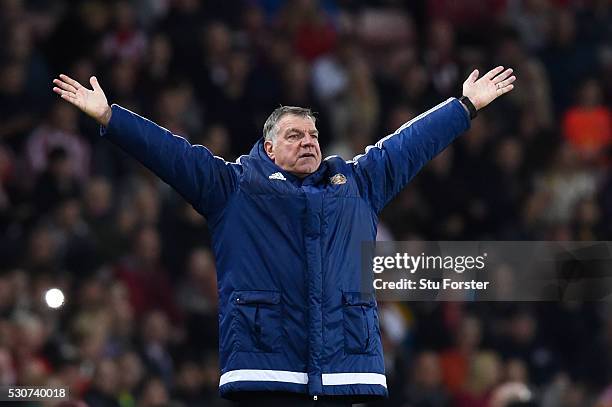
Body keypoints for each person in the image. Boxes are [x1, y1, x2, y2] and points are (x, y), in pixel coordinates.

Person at [52, 66, 515, 406]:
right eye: (295, 135)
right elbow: (172, 155)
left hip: (346, 371)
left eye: (313, 134)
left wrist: (464, 106)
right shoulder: (232, 188)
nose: (309, 142)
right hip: (264, 371)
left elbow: (408, 144)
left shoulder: (358, 183)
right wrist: (112, 118)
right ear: (268, 148)